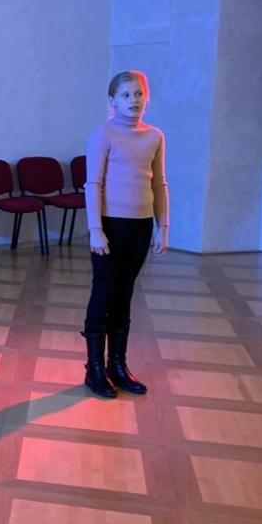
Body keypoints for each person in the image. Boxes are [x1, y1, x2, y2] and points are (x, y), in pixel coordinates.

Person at [82, 70, 168, 398]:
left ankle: (117, 364)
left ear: (147, 98)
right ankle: (94, 368)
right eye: (126, 95)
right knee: (104, 293)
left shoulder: (155, 136)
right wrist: (95, 230)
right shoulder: (103, 135)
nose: (134, 100)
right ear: (113, 101)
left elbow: (159, 184)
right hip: (109, 226)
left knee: (125, 294)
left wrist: (163, 227)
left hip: (140, 226)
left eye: (139, 94)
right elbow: (93, 185)